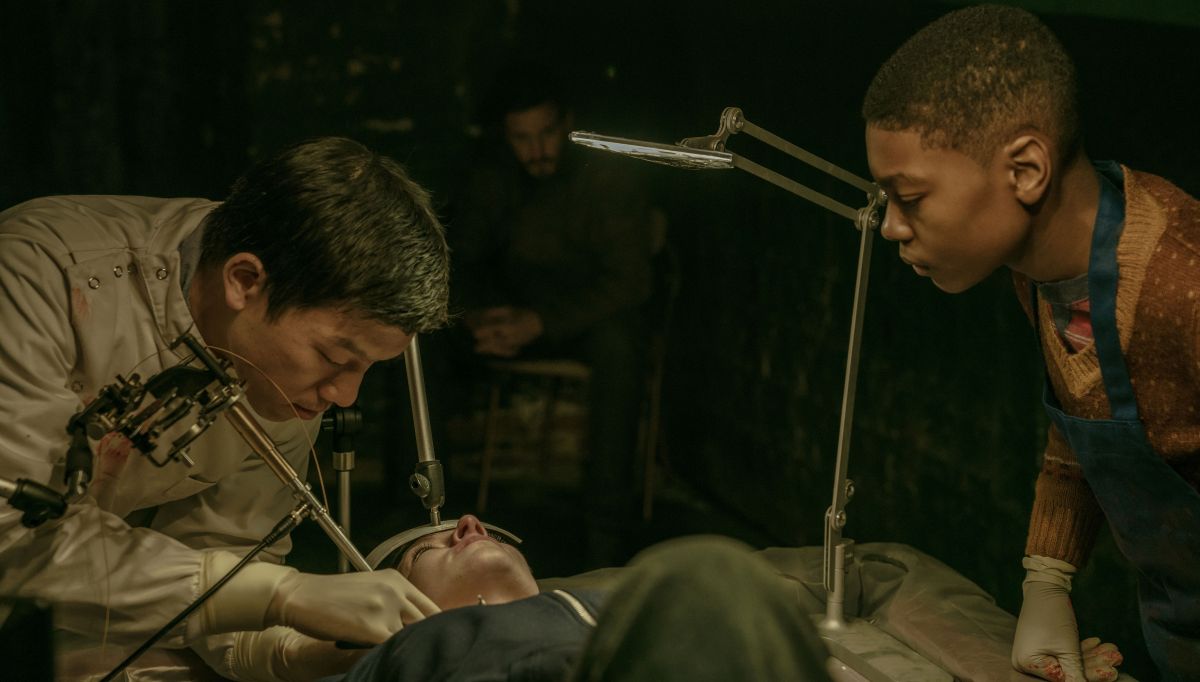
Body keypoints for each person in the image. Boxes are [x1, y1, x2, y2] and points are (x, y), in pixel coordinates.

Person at [0, 137, 451, 680]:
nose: (345, 395)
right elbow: (10, 536)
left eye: (368, 368)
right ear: (244, 281)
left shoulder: (279, 375)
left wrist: (302, 651)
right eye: (335, 358)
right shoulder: (38, 273)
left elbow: (223, 581)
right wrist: (279, 593)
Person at [861, 5, 1198, 681]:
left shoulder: (1181, 284)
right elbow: (1089, 417)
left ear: (1025, 170)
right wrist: (1047, 577)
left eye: (911, 197)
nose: (891, 226)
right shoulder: (1044, 275)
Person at [437, 60, 655, 566]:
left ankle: (606, 530)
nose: (537, 149)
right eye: (522, 138)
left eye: (547, 133)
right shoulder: (493, 177)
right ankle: (426, 513)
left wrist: (541, 322)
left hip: (579, 321)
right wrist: (475, 316)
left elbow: (631, 281)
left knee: (621, 344)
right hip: (503, 320)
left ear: (567, 124)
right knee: (419, 333)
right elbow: (459, 259)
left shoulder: (606, 177)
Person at [311, 514, 833, 682]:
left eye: (488, 532)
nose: (470, 524)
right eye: (427, 550)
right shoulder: (400, 654)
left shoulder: (627, 614)